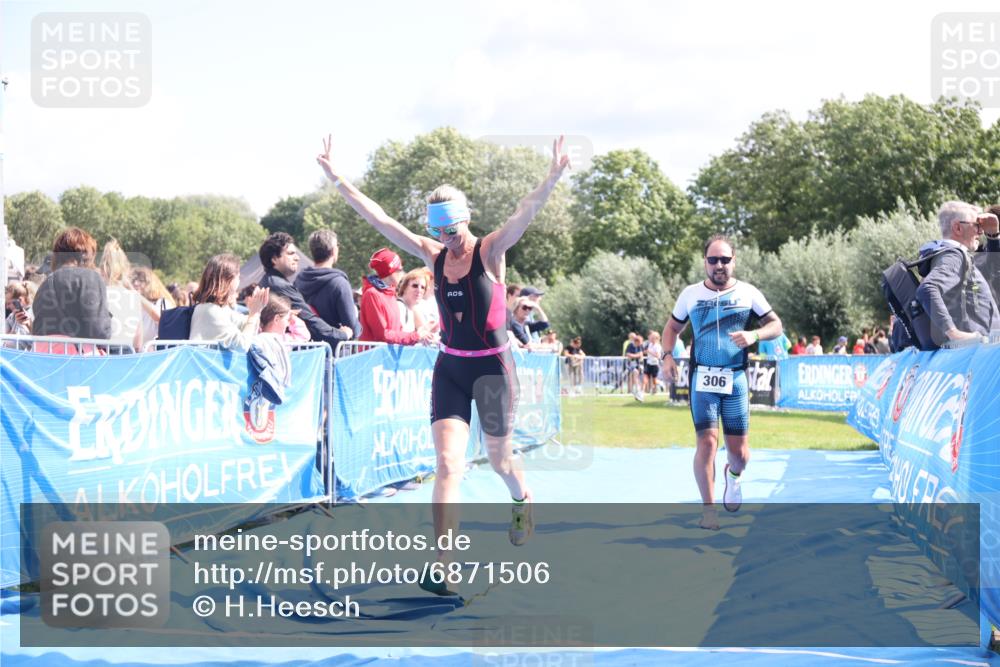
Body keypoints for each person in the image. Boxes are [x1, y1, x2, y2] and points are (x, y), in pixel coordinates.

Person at [316, 133, 570, 593]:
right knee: (448, 464)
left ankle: (521, 498)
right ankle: (445, 564)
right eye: (437, 232)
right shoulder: (432, 255)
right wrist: (337, 178)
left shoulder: (490, 251)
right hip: (451, 367)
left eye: (450, 231)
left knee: (498, 458)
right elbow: (380, 219)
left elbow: (523, 215)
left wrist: (552, 177)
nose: (444, 240)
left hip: (493, 369)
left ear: (465, 221)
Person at [661, 234, 783, 530]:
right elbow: (672, 328)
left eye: (725, 260)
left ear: (733, 261)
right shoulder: (690, 294)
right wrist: (667, 356)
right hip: (702, 378)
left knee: (739, 453)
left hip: (735, 379)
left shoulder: (748, 292)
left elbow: (776, 325)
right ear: (705, 262)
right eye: (713, 260)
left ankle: (734, 475)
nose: (719, 265)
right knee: (707, 443)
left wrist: (754, 335)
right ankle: (709, 510)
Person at [915, 201, 999, 346]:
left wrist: (993, 235)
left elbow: (994, 269)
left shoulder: (952, 254)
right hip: (977, 353)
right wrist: (954, 334)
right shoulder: (954, 255)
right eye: (977, 226)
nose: (980, 232)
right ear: (958, 228)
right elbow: (928, 288)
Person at [258, 232, 355, 350]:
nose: (297, 257)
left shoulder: (272, 281)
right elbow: (310, 320)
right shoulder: (279, 285)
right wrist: (340, 335)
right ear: (274, 259)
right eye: (290, 253)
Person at [31, 228, 112, 341]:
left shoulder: (44, 285)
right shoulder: (90, 278)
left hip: (44, 354)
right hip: (78, 356)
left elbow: (38, 329)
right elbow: (99, 331)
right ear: (85, 254)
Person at [294, 229, 362, 345]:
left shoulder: (298, 281)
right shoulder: (339, 283)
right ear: (334, 250)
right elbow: (351, 327)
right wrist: (359, 328)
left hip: (306, 351)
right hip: (334, 352)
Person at [190, 254, 269, 352]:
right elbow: (242, 345)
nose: (240, 279)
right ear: (227, 279)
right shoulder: (210, 311)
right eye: (238, 276)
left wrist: (257, 307)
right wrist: (254, 314)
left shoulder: (217, 308)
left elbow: (243, 324)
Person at [358, 248, 435, 345]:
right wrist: (416, 336)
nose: (402, 274)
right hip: (375, 357)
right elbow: (382, 335)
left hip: (389, 356)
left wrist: (422, 335)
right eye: (399, 270)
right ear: (390, 272)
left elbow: (397, 331)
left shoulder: (390, 293)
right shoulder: (372, 294)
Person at [99, 239, 144, 350]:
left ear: (103, 268)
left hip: (100, 357)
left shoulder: (97, 294)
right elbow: (138, 344)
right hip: (126, 357)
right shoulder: (134, 297)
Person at [131, 266, 176, 347]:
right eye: (133, 280)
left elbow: (161, 318)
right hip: (133, 353)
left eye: (141, 280)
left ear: (150, 283)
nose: (135, 283)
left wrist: (138, 296)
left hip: (154, 353)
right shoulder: (132, 304)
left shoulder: (162, 302)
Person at [395, 268, 431, 335]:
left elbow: (423, 331)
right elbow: (398, 336)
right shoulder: (400, 307)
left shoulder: (412, 309)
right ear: (404, 288)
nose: (419, 290)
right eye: (415, 286)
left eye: (423, 287)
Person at [624, 332, 644, 401]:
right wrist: (636, 355)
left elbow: (641, 354)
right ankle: (635, 390)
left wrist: (634, 355)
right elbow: (628, 354)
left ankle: (638, 391)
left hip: (638, 364)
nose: (640, 344)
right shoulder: (630, 345)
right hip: (631, 364)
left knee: (637, 377)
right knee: (633, 376)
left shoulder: (640, 346)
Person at [644, 331, 663, 396]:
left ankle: (658, 385)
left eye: (652, 338)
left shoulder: (658, 346)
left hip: (655, 364)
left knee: (654, 379)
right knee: (646, 376)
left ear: (656, 338)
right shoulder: (650, 344)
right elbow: (648, 352)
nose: (651, 339)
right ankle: (643, 390)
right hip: (649, 363)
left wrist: (649, 352)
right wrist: (646, 352)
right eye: (651, 337)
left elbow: (658, 356)